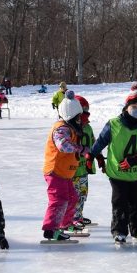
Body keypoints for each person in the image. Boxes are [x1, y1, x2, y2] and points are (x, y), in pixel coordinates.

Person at [91, 86, 137, 243]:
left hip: (136, 172)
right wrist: (90, 155)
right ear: (126, 107)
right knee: (120, 203)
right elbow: (101, 142)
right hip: (117, 172)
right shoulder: (113, 124)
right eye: (134, 107)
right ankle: (119, 230)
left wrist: (134, 160)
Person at [41, 91, 90, 242]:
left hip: (65, 173)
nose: (80, 120)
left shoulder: (71, 127)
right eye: (77, 117)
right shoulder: (61, 128)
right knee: (58, 200)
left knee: (72, 197)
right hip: (55, 171)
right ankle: (50, 229)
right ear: (71, 116)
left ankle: (64, 224)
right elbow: (63, 146)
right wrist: (80, 149)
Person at [71, 95, 96, 226]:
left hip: (84, 169)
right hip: (73, 170)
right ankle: (71, 218)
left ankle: (78, 216)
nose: (86, 113)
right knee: (73, 196)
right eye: (83, 109)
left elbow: (94, 142)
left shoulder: (88, 128)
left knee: (83, 194)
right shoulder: (71, 128)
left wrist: (98, 157)